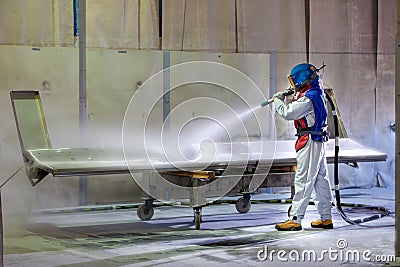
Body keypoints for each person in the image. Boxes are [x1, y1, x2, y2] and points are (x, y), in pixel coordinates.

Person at [273, 63, 333, 231]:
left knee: (304, 179)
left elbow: (287, 112)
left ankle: (295, 218)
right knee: (320, 180)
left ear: (303, 79)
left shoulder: (308, 98)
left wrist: (278, 101)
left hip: (310, 141)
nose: (293, 85)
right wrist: (293, 94)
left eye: (294, 82)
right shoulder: (315, 93)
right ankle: (326, 217)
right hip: (316, 140)